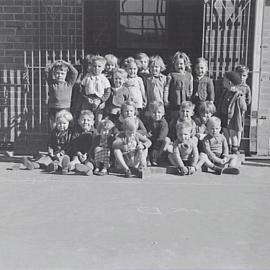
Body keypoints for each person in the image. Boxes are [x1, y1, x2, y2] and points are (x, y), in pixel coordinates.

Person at [22, 110, 73, 174]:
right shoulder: (54, 132)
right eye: (59, 123)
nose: (61, 125)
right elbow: (50, 144)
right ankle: (33, 165)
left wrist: (61, 153)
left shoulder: (70, 134)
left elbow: (70, 146)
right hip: (54, 154)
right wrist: (50, 151)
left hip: (64, 154)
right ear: (56, 123)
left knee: (63, 159)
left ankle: (60, 167)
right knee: (44, 159)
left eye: (64, 123)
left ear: (68, 123)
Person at [217, 71, 247, 154]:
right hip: (224, 115)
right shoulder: (225, 92)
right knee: (226, 133)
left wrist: (240, 113)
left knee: (233, 134)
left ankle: (234, 150)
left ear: (229, 82)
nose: (223, 82)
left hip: (233, 118)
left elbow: (243, 107)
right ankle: (227, 150)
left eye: (224, 80)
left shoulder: (238, 95)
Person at [45, 59, 78, 128]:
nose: (59, 75)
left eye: (62, 73)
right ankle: (54, 138)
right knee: (53, 126)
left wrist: (67, 64)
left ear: (66, 74)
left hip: (65, 108)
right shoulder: (52, 83)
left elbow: (75, 73)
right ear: (54, 74)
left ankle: (64, 138)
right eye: (57, 73)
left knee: (64, 125)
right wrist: (54, 63)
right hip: (53, 108)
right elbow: (46, 71)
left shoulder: (69, 84)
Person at [80, 55, 111, 126]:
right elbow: (81, 89)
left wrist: (101, 100)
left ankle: (98, 133)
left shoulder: (103, 78)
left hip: (99, 100)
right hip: (88, 100)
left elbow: (107, 92)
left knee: (98, 119)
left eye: (99, 66)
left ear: (103, 68)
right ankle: (86, 131)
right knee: (86, 116)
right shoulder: (87, 77)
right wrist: (86, 98)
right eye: (94, 66)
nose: (96, 68)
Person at [164, 51, 193, 119]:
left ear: (185, 64)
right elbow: (167, 88)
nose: (179, 66)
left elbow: (190, 89)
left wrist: (190, 97)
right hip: (174, 101)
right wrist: (166, 100)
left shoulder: (189, 75)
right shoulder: (171, 75)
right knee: (174, 117)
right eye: (177, 64)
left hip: (185, 100)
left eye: (181, 64)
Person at [68, 110, 97, 175]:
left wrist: (86, 154)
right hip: (78, 154)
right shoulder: (76, 132)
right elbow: (74, 145)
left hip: (89, 155)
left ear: (93, 122)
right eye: (83, 120)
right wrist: (79, 154)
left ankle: (87, 169)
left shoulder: (95, 133)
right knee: (75, 160)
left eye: (88, 120)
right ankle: (69, 166)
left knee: (89, 163)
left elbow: (94, 146)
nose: (85, 122)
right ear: (78, 121)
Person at [145, 101, 168, 166]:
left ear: (163, 113)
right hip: (151, 141)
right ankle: (147, 158)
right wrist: (147, 134)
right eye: (154, 113)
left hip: (159, 143)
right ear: (150, 113)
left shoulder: (163, 123)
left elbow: (162, 136)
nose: (156, 115)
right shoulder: (149, 120)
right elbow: (145, 130)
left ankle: (156, 158)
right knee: (144, 140)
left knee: (166, 140)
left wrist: (156, 148)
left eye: (159, 112)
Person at [235, 65, 252, 148]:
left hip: (241, 110)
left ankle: (238, 144)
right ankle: (231, 144)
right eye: (239, 75)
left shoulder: (246, 88)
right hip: (232, 109)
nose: (241, 77)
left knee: (239, 127)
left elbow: (249, 100)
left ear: (247, 76)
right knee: (231, 127)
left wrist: (243, 104)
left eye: (244, 75)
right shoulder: (233, 86)